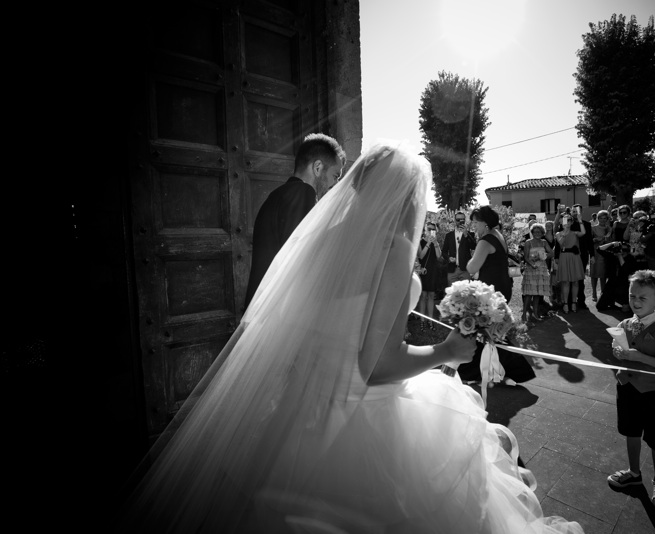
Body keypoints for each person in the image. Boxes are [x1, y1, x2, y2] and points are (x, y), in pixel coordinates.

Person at [117, 142, 583, 534]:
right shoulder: (394, 249)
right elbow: (376, 366)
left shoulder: (326, 239)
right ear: (406, 196)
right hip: (369, 420)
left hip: (305, 412)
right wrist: (447, 351)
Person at [607, 270, 655, 512]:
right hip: (627, 388)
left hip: (653, 394)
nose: (635, 302)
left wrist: (639, 356)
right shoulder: (624, 324)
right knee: (631, 431)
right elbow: (619, 351)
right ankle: (634, 472)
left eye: (642, 298)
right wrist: (618, 352)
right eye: (632, 296)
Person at [244, 132, 346, 307]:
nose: (335, 184)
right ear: (318, 167)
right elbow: (301, 259)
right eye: (336, 176)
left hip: (262, 305)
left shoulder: (278, 194)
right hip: (276, 310)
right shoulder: (303, 193)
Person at [456, 206, 537, 387]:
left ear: (485, 223)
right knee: (488, 333)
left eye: (475, 223)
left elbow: (470, 268)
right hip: (500, 289)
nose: (473, 226)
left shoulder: (485, 241)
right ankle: (481, 372)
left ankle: (515, 372)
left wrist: (466, 246)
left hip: (490, 294)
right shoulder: (497, 234)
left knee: (487, 333)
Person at [553, 207, 586, 313]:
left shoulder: (575, 233)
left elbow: (583, 233)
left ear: (572, 222)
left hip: (574, 258)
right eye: (564, 220)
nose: (566, 222)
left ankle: (574, 303)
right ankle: (565, 304)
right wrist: (564, 231)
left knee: (575, 282)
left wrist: (580, 220)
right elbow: (561, 243)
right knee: (565, 282)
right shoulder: (559, 233)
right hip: (564, 257)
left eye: (569, 220)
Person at [520, 222, 552, 321]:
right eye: (535, 231)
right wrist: (532, 264)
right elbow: (525, 257)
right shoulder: (528, 242)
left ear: (542, 233)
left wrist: (543, 256)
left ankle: (535, 314)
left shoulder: (544, 242)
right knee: (529, 293)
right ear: (532, 232)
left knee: (538, 293)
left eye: (539, 231)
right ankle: (524, 314)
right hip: (531, 269)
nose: (537, 233)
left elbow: (552, 253)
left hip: (541, 269)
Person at [415, 220, 441, 329]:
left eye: (433, 229)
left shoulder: (436, 242)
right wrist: (428, 243)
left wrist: (435, 244)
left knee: (431, 295)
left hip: (432, 270)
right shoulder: (420, 241)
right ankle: (422, 321)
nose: (431, 231)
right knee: (423, 296)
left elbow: (439, 256)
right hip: (423, 271)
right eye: (429, 229)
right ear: (425, 230)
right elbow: (421, 256)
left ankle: (430, 320)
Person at [440, 211, 476, 286]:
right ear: (455, 220)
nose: (460, 221)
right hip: (452, 270)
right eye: (458, 219)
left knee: (466, 293)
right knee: (452, 295)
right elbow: (444, 252)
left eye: (462, 219)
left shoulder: (470, 234)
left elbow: (473, 246)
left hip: (465, 269)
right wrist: (449, 258)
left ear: (465, 220)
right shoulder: (449, 235)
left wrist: (466, 235)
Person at [571, 204, 594, 309]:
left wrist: (592, 255)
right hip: (569, 254)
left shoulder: (587, 224)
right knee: (570, 278)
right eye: (574, 211)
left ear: (582, 212)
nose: (576, 213)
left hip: (583, 254)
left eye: (578, 211)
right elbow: (559, 230)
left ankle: (581, 301)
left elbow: (589, 240)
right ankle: (570, 301)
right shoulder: (568, 223)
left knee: (580, 279)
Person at [589, 209, 612, 301]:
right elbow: (589, 241)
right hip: (595, 252)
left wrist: (608, 235)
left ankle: (603, 292)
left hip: (605, 253)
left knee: (603, 274)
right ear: (597, 218)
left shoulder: (609, 228)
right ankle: (594, 292)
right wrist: (595, 240)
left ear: (607, 219)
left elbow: (611, 241)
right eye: (600, 218)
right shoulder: (593, 228)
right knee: (594, 273)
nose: (602, 220)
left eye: (604, 218)